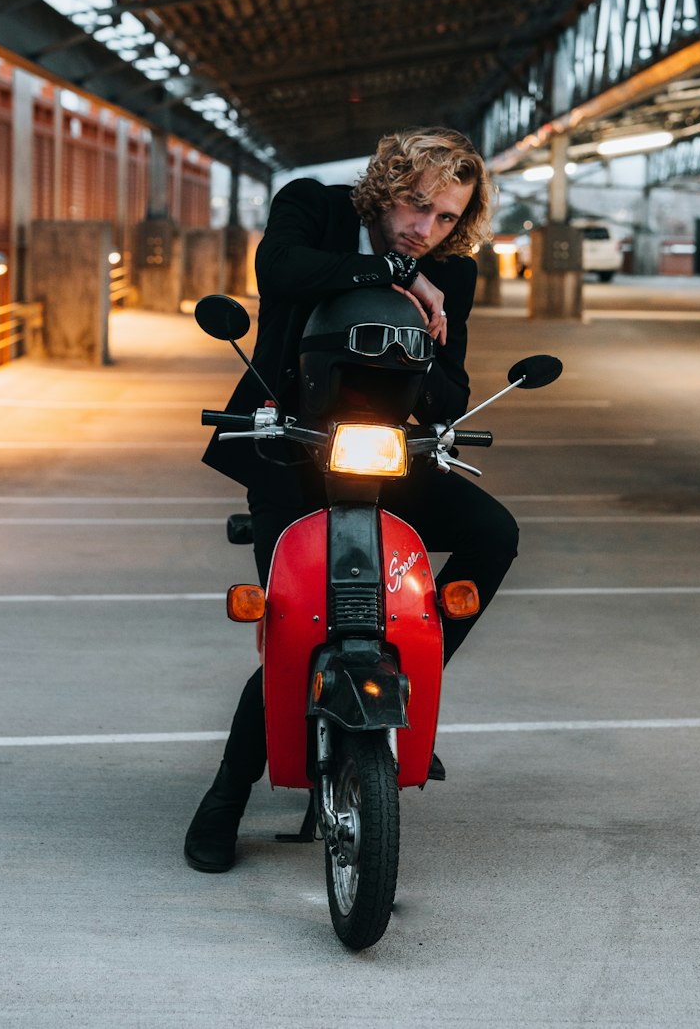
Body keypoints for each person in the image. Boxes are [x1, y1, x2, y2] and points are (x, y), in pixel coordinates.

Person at [185, 127, 520, 872]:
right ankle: (227, 792)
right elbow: (283, 271)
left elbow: (450, 391)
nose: (424, 229)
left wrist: (431, 359)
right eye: (415, 205)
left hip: (382, 453)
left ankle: (402, 683)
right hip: (287, 444)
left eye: (444, 220)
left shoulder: (451, 276)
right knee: (302, 622)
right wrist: (396, 272)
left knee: (493, 534)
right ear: (385, 185)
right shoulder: (314, 207)